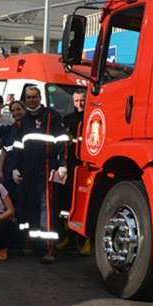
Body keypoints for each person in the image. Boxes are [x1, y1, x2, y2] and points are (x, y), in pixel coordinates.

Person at [14, 86, 68, 264]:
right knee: (31, 207)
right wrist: (15, 168)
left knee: (47, 208)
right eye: (28, 98)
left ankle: (50, 249)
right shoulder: (23, 120)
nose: (32, 100)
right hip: (28, 169)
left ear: (40, 98)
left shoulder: (51, 115)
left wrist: (63, 165)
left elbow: (63, 141)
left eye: (34, 97)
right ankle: (35, 244)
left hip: (47, 166)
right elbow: (18, 147)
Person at [61, 87, 88, 255]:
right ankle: (69, 238)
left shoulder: (92, 118)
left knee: (83, 204)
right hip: (70, 166)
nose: (80, 103)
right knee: (67, 204)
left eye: (82, 100)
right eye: (77, 101)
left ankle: (86, 241)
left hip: (86, 165)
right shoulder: (68, 119)